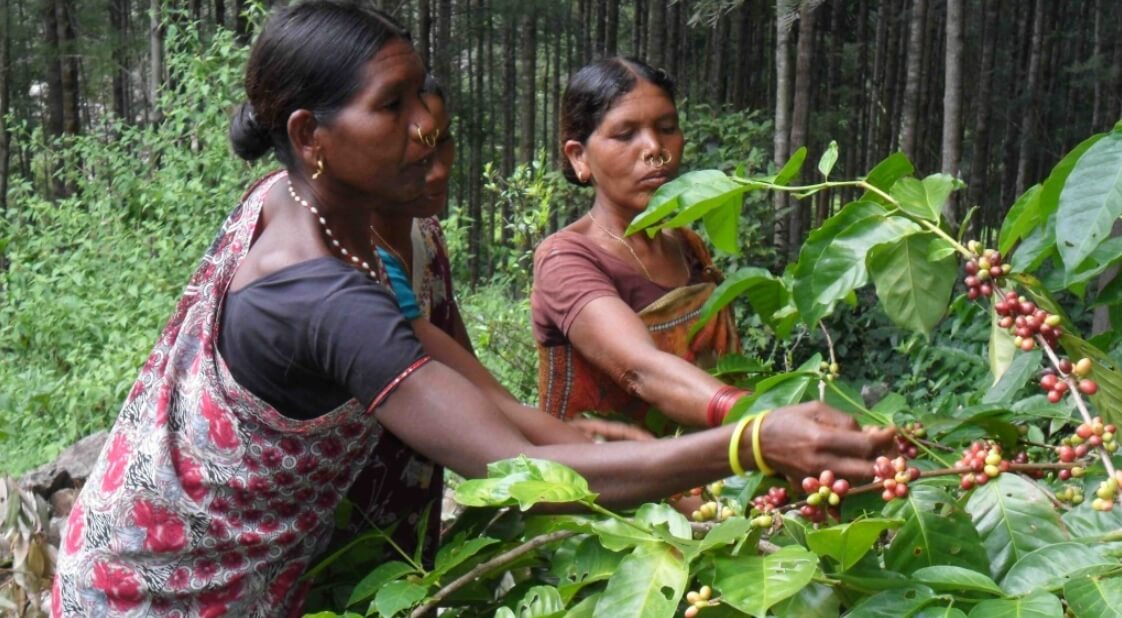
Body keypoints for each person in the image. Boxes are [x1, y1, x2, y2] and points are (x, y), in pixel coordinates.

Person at [53, 5, 894, 615]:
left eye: (423, 99)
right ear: (312, 134)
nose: (427, 129)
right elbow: (508, 474)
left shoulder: (301, 206)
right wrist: (751, 440)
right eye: (394, 107)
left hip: (202, 558)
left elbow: (458, 379)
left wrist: (574, 434)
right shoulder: (320, 297)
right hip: (164, 590)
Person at [346, 76, 651, 564]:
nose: (440, 167)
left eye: (443, 141)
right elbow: (468, 395)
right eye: (419, 154)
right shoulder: (360, 263)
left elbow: (474, 377)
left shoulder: (424, 235)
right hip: (346, 501)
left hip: (407, 494)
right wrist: (614, 459)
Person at [533, 57, 749, 432]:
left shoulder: (687, 244)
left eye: (667, 128)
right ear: (579, 157)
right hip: (604, 483)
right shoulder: (565, 258)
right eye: (625, 134)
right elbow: (641, 369)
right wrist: (760, 418)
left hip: (710, 469)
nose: (655, 148)